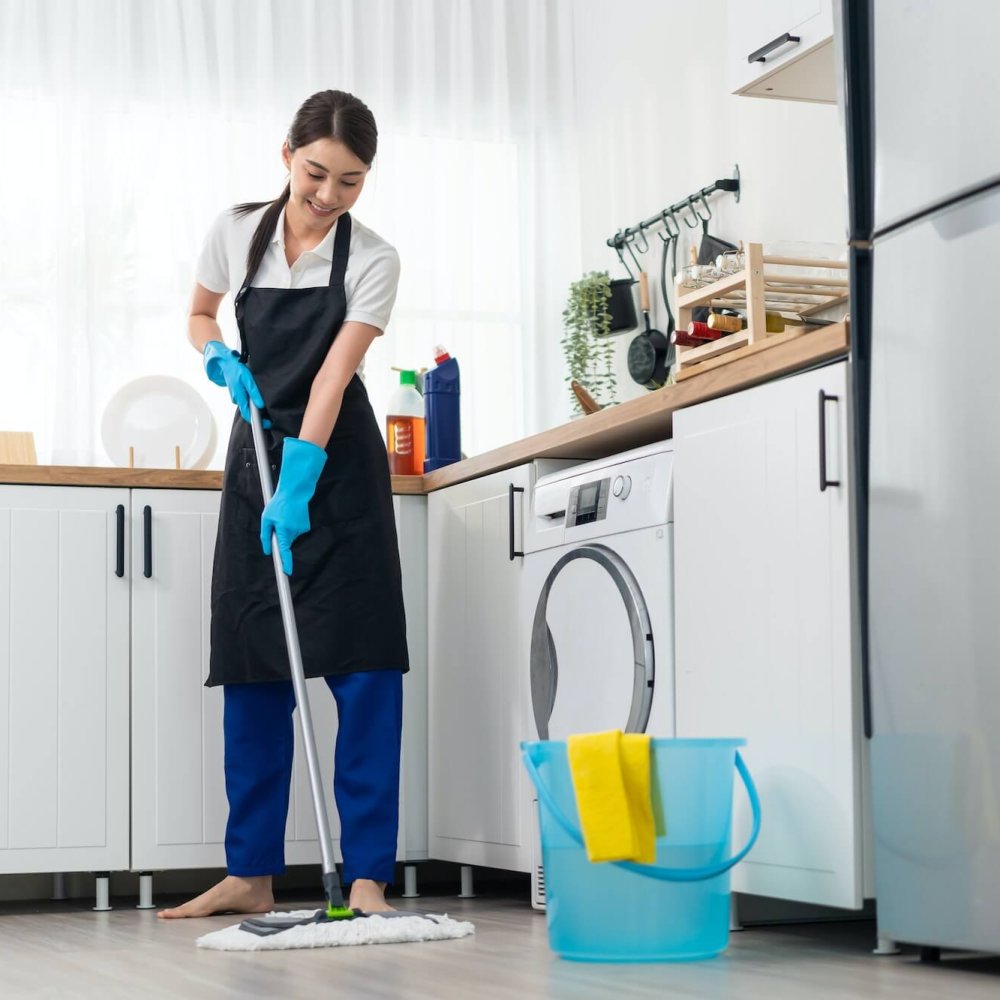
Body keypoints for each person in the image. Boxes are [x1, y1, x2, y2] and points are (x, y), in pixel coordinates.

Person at [159, 90, 409, 919]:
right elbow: (199, 314)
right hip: (254, 455)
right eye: (316, 173)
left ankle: (366, 877)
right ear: (286, 157)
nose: (329, 195)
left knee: (366, 669)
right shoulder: (236, 231)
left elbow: (334, 376)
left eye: (351, 181)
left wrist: (301, 480)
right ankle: (250, 873)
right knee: (255, 663)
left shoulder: (373, 258)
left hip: (336, 468)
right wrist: (216, 357)